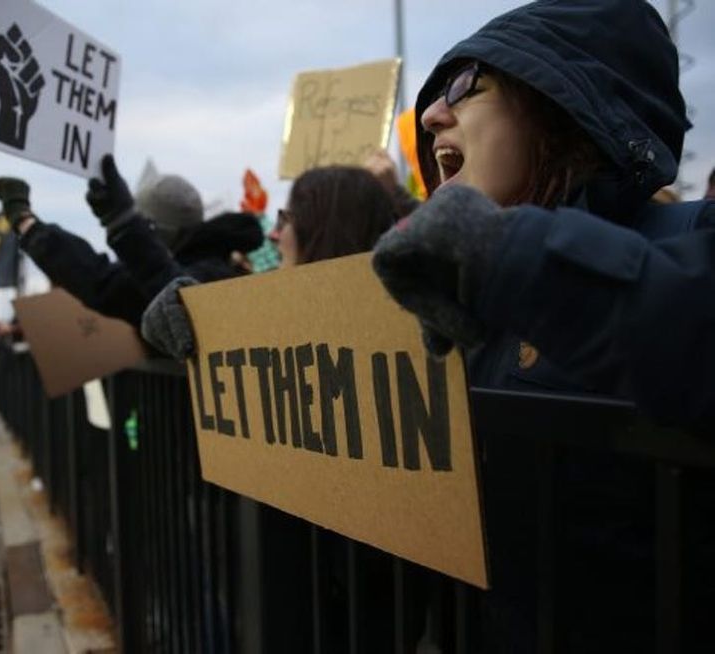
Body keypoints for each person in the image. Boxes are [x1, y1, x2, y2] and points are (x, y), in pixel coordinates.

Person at [366, 0, 714, 650]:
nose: (434, 112)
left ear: (563, 106)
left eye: (468, 85)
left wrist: (516, 259)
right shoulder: (461, 305)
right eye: (436, 94)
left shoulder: (690, 238)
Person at [141, 165, 400, 357]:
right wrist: (188, 308)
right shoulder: (269, 321)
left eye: (286, 220)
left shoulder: (404, 331)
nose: (273, 235)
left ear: (325, 233)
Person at [0, 155, 263, 327]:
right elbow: (101, 280)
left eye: (144, 226)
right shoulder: (215, 263)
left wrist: (125, 226)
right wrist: (29, 226)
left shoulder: (213, 277)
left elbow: (182, 304)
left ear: (156, 232)